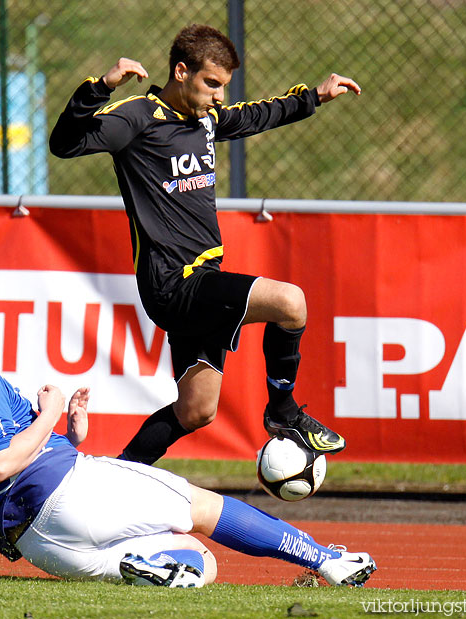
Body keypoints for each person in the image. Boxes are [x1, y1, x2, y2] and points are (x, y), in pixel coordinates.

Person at [0, 270, 376, 587]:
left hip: (34, 540)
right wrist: (50, 412)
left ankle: (138, 568)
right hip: (64, 493)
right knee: (206, 508)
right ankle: (325, 559)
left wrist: (67, 433)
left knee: (198, 562)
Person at [49, 23, 362, 466]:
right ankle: (283, 411)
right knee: (291, 303)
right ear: (181, 71)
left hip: (203, 280)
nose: (219, 96)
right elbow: (64, 144)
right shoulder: (138, 117)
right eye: (211, 83)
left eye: (223, 87)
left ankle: (119, 475)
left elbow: (256, 115)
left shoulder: (207, 120)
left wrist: (314, 96)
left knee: (196, 409)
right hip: (173, 284)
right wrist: (99, 87)